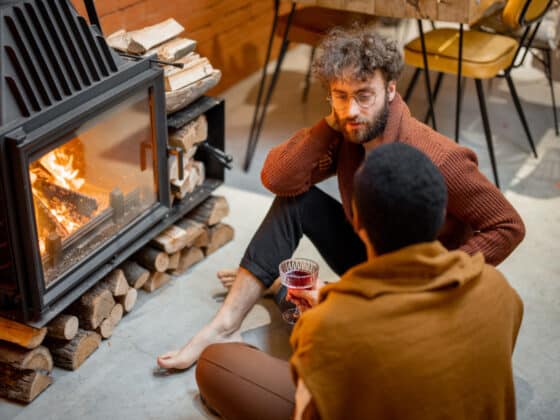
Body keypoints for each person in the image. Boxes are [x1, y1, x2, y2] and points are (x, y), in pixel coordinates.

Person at [157, 26, 525, 371]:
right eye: (340, 96)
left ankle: (284, 287)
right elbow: (277, 178)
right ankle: (225, 324)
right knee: (295, 202)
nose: (351, 111)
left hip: (418, 277)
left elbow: (508, 225)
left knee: (329, 340)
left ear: (391, 89)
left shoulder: (439, 158)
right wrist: (327, 126)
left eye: (364, 95)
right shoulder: (347, 131)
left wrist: (440, 274)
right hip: (371, 254)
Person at [194, 142, 524, 420]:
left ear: (358, 223)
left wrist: (325, 319)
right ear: (440, 218)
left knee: (215, 363)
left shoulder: (333, 326)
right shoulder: (500, 290)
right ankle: (281, 288)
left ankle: (274, 294)